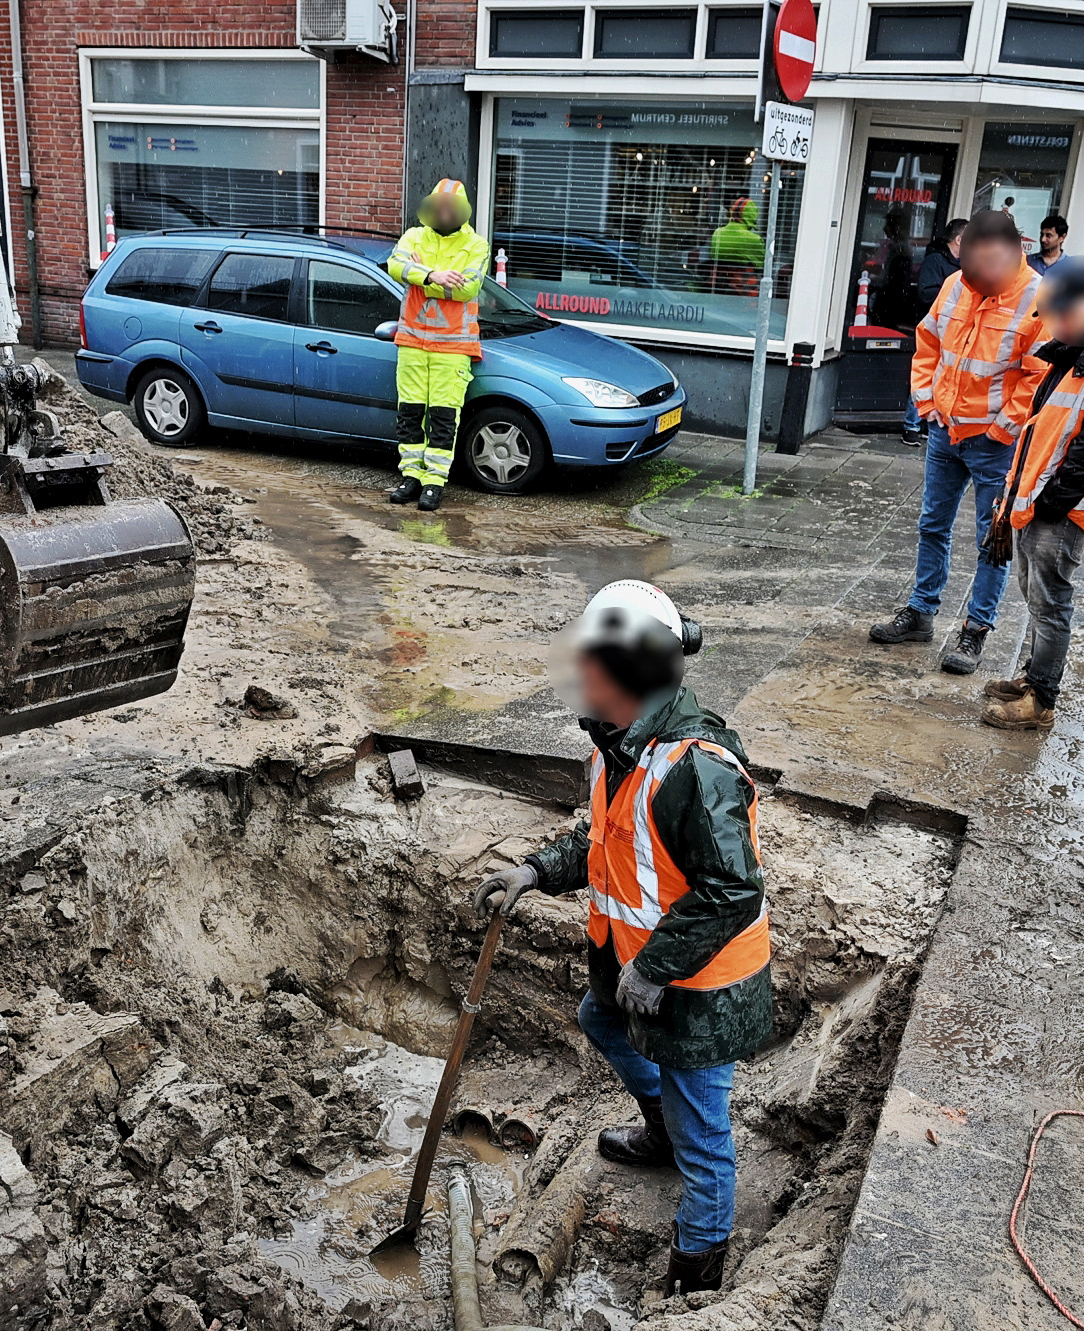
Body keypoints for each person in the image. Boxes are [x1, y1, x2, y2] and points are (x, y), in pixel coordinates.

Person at [472, 580, 770, 1298]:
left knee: (706, 1138)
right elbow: (606, 845)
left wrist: (659, 968)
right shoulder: (620, 746)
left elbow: (732, 890)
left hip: (700, 986)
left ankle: (695, 1272)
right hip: (634, 964)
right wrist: (537, 870)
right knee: (597, 1017)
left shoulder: (695, 771)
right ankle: (659, 1129)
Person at [873, 209, 1047, 675]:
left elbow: (1039, 376)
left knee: (993, 541)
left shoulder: (1038, 298)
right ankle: (921, 611)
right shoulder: (956, 286)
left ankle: (975, 630)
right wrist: (927, 404)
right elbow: (927, 342)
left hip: (994, 443)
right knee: (932, 524)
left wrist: (1002, 428)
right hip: (945, 432)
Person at [980, 259, 1084, 730]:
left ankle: (1042, 700)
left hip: (1063, 512)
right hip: (1042, 503)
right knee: (1037, 598)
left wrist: (1049, 506)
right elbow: (1044, 433)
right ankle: (1035, 679)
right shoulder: (1078, 354)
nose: (1054, 324)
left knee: (1051, 604)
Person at [386, 178, 492, 513]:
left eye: (451, 207)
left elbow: (467, 289)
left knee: (444, 418)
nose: (444, 212)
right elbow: (393, 266)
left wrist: (418, 276)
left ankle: (434, 483)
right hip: (412, 342)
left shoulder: (477, 244)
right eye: (438, 206)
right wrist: (435, 275)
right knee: (410, 414)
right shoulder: (414, 235)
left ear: (462, 210)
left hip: (453, 348)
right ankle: (410, 477)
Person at [903, 218, 967, 446]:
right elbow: (926, 294)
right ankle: (911, 424)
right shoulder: (936, 261)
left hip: (954, 331)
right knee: (927, 370)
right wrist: (953, 297)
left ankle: (927, 423)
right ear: (959, 239)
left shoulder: (963, 265)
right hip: (934, 328)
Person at [710, 197, 764, 294]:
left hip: (720, 290)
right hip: (745, 293)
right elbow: (762, 266)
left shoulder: (717, 234)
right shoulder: (754, 240)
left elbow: (714, 259)